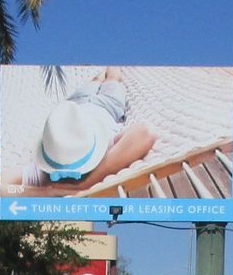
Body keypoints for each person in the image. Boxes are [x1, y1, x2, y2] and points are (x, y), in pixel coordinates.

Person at [21, 67, 157, 193]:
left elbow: (3, 182)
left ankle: (103, 69)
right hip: (108, 105)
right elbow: (146, 132)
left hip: (75, 104)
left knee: (96, 79)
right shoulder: (105, 150)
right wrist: (88, 182)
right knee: (113, 78)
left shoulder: (46, 170)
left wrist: (47, 192)